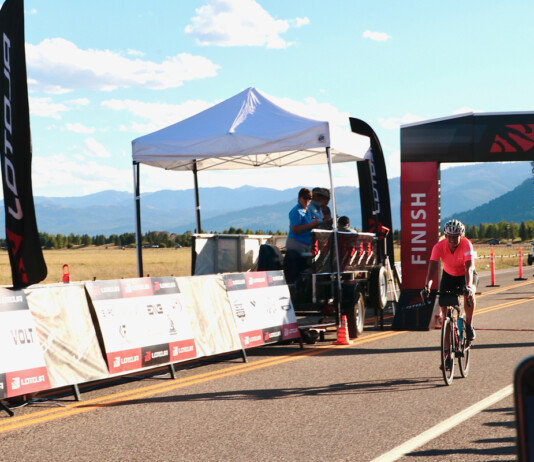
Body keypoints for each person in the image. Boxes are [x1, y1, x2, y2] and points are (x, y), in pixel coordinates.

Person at [421, 219, 478, 346]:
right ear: (445, 236)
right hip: (449, 276)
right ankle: (446, 350)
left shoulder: (467, 244)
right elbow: (431, 271)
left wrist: (468, 286)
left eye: (455, 236)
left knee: (469, 295)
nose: (452, 239)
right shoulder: (438, 247)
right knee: (444, 311)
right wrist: (427, 287)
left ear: (461, 235)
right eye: (450, 236)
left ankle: (469, 325)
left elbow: (469, 268)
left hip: (466, 274)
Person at [286, 188, 319, 254]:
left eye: (310, 198)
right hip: (296, 244)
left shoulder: (308, 211)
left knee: (308, 259)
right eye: (305, 198)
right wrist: (311, 224)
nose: (307, 200)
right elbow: (294, 229)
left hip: (306, 243)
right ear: (299, 198)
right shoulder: (296, 211)